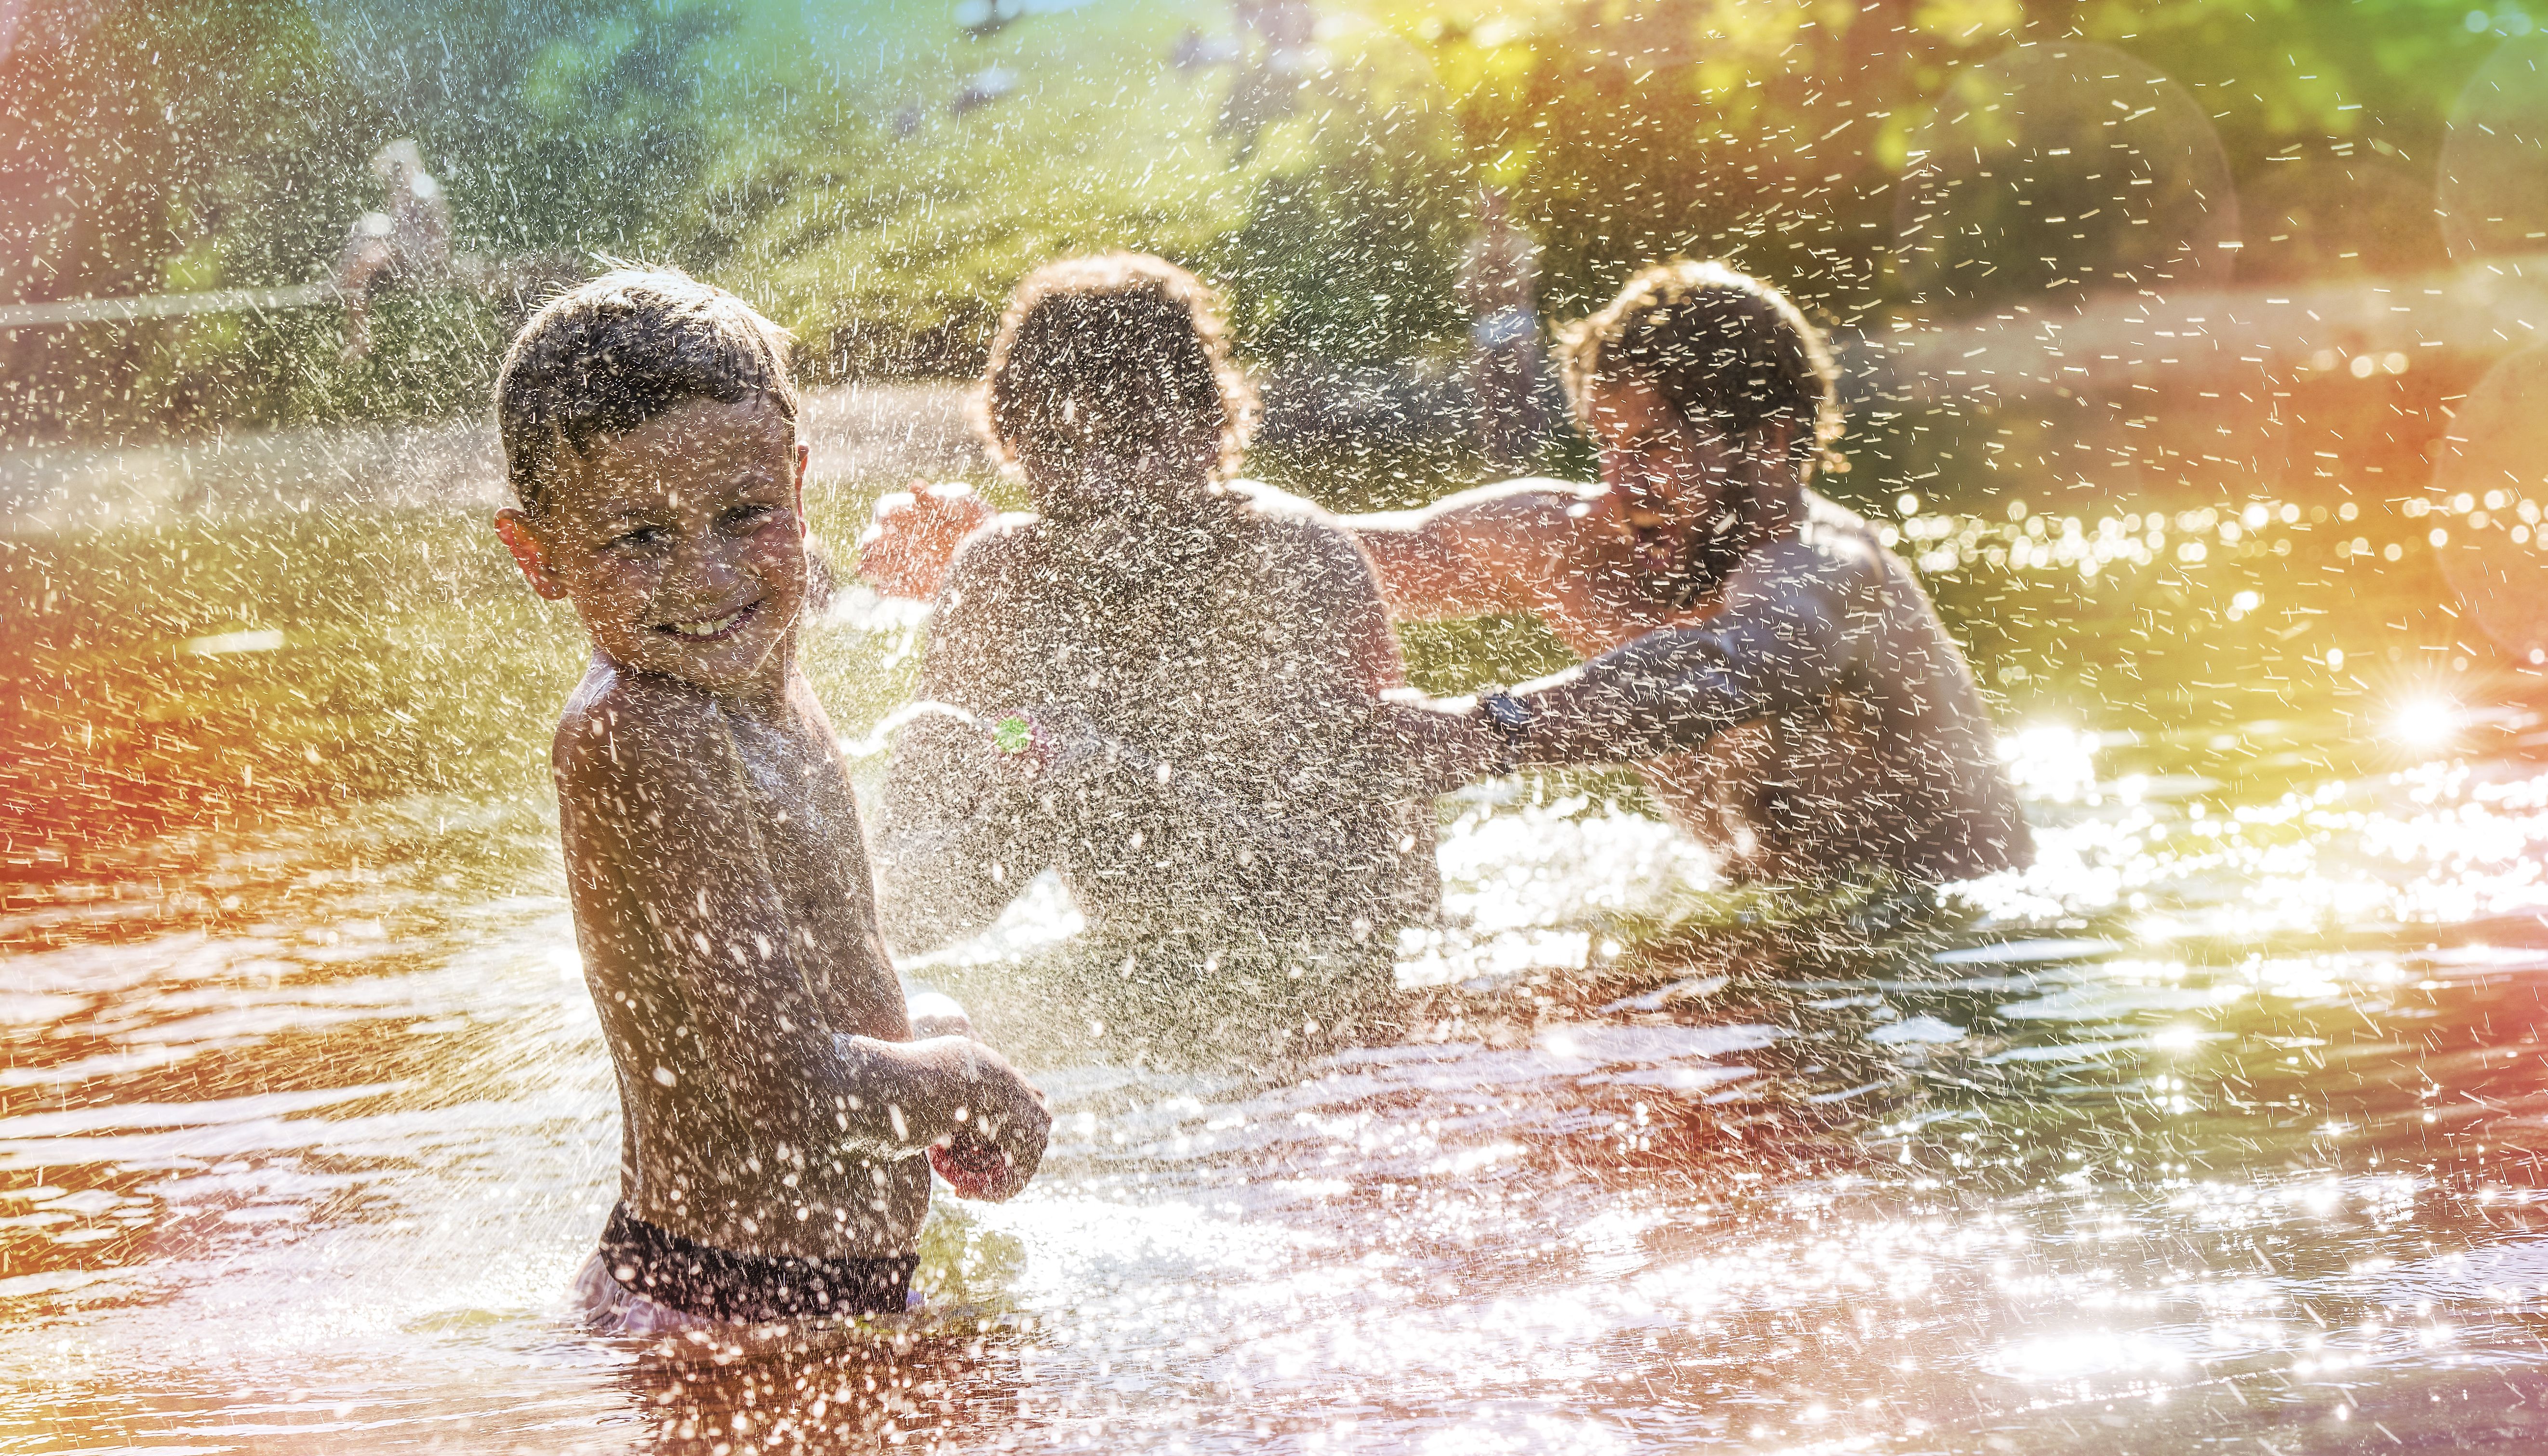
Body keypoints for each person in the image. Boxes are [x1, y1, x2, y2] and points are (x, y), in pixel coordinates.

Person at [488, 269, 1051, 1332]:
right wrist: (967, 1078)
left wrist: (910, 1023)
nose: (705, 577)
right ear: (539, 556)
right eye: (637, 538)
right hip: (732, 1313)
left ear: (794, 487)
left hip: (794, 1295)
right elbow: (786, 1089)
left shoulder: (753, 666)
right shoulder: (651, 729)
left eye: (743, 514)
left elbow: (785, 998)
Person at [856, 253, 1433, 1017]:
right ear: (1012, 445)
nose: (1096, 478)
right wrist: (1016, 798)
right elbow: (895, 899)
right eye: (1060, 448)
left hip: (1317, 1007)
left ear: (1206, 429)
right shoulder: (999, 580)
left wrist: (1111, 785)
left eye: (1130, 438)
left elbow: (1394, 886)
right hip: (1119, 992)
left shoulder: (1300, 560)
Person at [1347, 262, 2032, 886]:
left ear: (1771, 437)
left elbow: (1735, 666)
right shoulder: (1576, 546)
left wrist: (1485, 731)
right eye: (1607, 446)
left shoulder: (1827, 569)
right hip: (1763, 917)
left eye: (1649, 444)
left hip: (1940, 945)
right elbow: (1329, 560)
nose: (1621, 484)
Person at [334, 141, 453, 362]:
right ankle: (359, 330)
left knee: (365, 260)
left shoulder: (424, 190)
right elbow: (396, 231)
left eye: (400, 168)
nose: (396, 175)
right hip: (403, 259)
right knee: (365, 233)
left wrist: (398, 253)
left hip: (423, 262)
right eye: (394, 170)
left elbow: (438, 242)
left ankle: (359, 335)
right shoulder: (399, 191)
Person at [1459, 186, 1545, 463]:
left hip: (1517, 319)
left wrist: (1490, 286)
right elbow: (1464, 288)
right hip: (1489, 323)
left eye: (1495, 206)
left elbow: (1523, 285)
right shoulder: (1475, 246)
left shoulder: (1520, 242)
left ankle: (1530, 441)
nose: (1491, 213)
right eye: (1486, 207)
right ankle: (1493, 445)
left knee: (1524, 381)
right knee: (1487, 383)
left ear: (1504, 208)